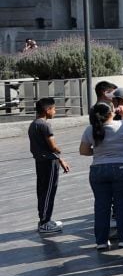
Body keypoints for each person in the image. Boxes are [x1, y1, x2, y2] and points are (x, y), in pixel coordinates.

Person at [80, 91, 123, 251]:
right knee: (122, 204)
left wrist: (100, 153)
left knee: (101, 206)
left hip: (98, 169)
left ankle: (101, 241)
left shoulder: (90, 130)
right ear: (111, 113)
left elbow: (84, 151)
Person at [30, 95, 69, 235]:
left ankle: (45, 219)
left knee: (43, 191)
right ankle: (45, 223)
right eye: (54, 109)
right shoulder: (45, 125)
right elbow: (53, 146)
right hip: (48, 162)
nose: (55, 112)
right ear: (47, 110)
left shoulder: (34, 124)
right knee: (48, 192)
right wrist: (59, 152)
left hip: (41, 162)